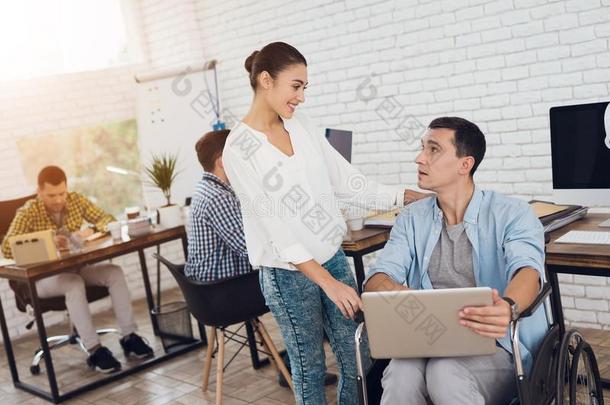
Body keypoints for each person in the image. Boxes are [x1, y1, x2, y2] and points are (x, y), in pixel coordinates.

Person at [222, 42, 426, 405]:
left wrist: (406, 196)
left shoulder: (301, 125)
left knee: (358, 358)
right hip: (287, 274)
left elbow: (346, 181)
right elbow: (277, 230)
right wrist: (329, 284)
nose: (301, 97)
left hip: (331, 256)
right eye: (295, 86)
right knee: (310, 369)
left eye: (304, 88)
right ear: (266, 80)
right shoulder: (239, 148)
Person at [364, 117, 547, 405]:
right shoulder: (411, 219)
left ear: (465, 164)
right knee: (400, 372)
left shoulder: (512, 213)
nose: (419, 158)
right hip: (426, 338)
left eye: (433, 149)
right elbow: (379, 277)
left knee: (445, 370)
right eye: (422, 148)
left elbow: (528, 271)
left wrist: (508, 307)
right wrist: (398, 294)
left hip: (494, 345)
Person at [186, 128, 339, 388]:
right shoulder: (219, 198)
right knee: (296, 278)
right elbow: (248, 247)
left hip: (212, 290)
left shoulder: (209, 190)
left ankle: (303, 354)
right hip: (225, 294)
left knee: (300, 271)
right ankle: (300, 364)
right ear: (224, 161)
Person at [1, 166, 154, 373]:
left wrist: (87, 231)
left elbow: (107, 219)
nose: (58, 200)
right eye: (51, 195)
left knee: (114, 272)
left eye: (61, 193)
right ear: (39, 191)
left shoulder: (75, 200)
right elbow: (7, 246)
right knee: (73, 283)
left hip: (76, 268)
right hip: (41, 280)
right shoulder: (28, 211)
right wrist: (47, 241)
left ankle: (129, 337)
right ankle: (95, 349)